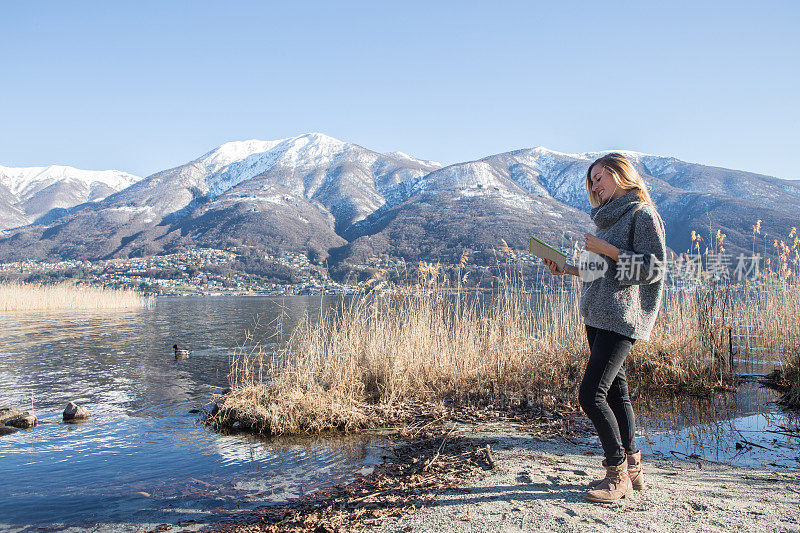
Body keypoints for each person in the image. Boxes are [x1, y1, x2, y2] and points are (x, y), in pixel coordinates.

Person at [542, 152, 666, 503]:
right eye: (591, 180)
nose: (594, 184)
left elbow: (651, 270)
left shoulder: (641, 215)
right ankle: (634, 468)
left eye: (600, 177)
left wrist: (607, 248)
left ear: (620, 174)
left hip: (621, 317)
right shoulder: (608, 221)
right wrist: (565, 268)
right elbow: (600, 271)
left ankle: (617, 475)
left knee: (590, 395)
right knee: (615, 393)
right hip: (597, 314)